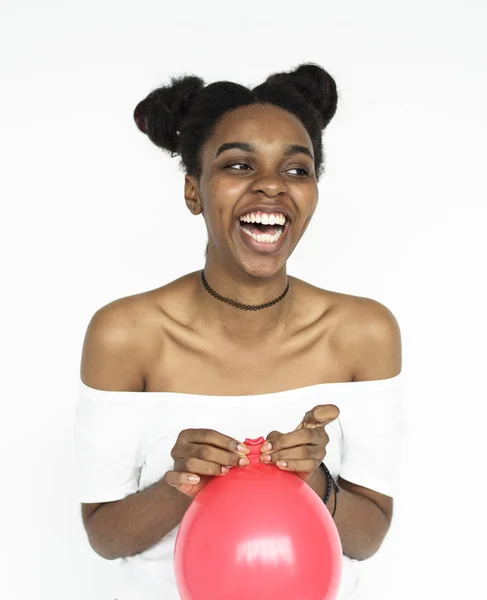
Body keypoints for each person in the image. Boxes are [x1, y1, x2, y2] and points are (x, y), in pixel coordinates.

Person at [74, 62, 403, 599]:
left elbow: (367, 539)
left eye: (297, 170)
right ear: (193, 191)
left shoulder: (364, 333)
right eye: (239, 165)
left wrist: (316, 480)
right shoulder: (125, 334)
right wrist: (181, 483)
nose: (271, 185)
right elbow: (107, 538)